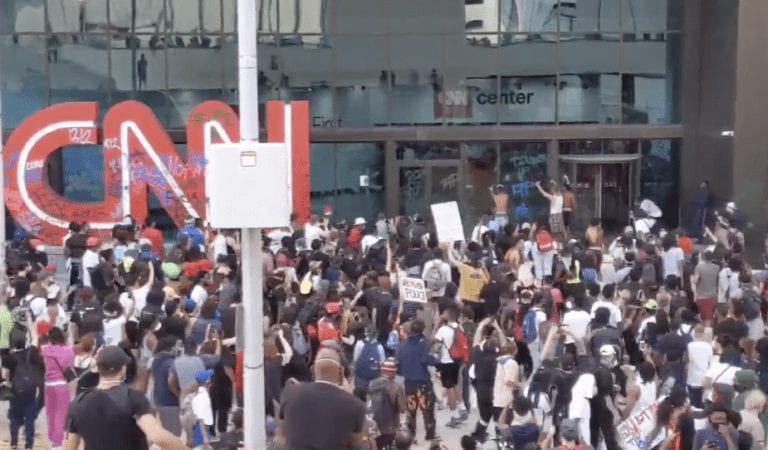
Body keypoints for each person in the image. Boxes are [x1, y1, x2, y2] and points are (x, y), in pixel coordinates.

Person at [64, 345, 188, 450]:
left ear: (98, 369)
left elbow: (69, 446)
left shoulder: (77, 403)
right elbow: (158, 437)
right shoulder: (132, 398)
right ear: (123, 369)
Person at [278, 347, 368, 449]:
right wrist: (349, 395)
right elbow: (355, 445)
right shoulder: (356, 405)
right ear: (341, 372)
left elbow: (282, 434)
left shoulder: (290, 392)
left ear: (312, 369)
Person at [396, 319, 438, 442]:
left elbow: (398, 364)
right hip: (423, 383)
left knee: (411, 410)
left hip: (409, 383)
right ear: (423, 329)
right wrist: (436, 359)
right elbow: (427, 360)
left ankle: (411, 433)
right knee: (427, 410)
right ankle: (429, 434)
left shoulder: (402, 345)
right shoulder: (423, 344)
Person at [4, 335, 45, 450]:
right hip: (30, 389)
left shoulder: (9, 357)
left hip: (16, 390)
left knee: (14, 417)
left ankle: (14, 443)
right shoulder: (31, 353)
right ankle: (29, 444)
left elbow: (4, 375)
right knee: (29, 416)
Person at [42, 327, 75, 449]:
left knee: (50, 413)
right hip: (61, 384)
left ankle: (51, 439)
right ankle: (57, 443)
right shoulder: (68, 350)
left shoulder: (46, 350)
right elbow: (70, 348)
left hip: (49, 384)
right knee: (61, 414)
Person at [368, 358, 407, 449]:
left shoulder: (372, 384)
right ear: (393, 372)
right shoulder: (396, 386)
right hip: (390, 428)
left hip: (374, 426)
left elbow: (368, 404)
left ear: (382, 371)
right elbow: (402, 409)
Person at [189, 369, 215, 450]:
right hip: (200, 432)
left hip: (202, 430)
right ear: (207, 383)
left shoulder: (201, 395)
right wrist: (205, 437)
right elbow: (201, 418)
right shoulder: (202, 398)